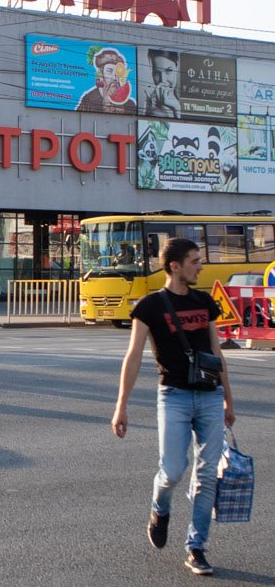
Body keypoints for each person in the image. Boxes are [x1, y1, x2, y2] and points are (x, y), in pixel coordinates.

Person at [112, 237, 235, 577]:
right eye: (195, 261)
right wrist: (121, 405)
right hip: (174, 397)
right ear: (174, 266)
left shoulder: (205, 302)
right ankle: (159, 507)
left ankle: (196, 547)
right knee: (173, 471)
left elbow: (217, 353)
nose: (201, 266)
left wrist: (228, 397)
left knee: (207, 473)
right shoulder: (149, 307)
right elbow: (133, 356)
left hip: (209, 396)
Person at [75, 47, 137, 114]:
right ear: (101, 74)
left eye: (117, 72)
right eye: (109, 71)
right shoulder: (89, 100)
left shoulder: (129, 104)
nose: (114, 78)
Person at [142, 49, 181, 118]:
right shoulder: (150, 106)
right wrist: (148, 113)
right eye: (157, 73)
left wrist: (176, 108)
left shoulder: (189, 103)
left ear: (177, 67)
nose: (163, 80)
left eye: (168, 70)